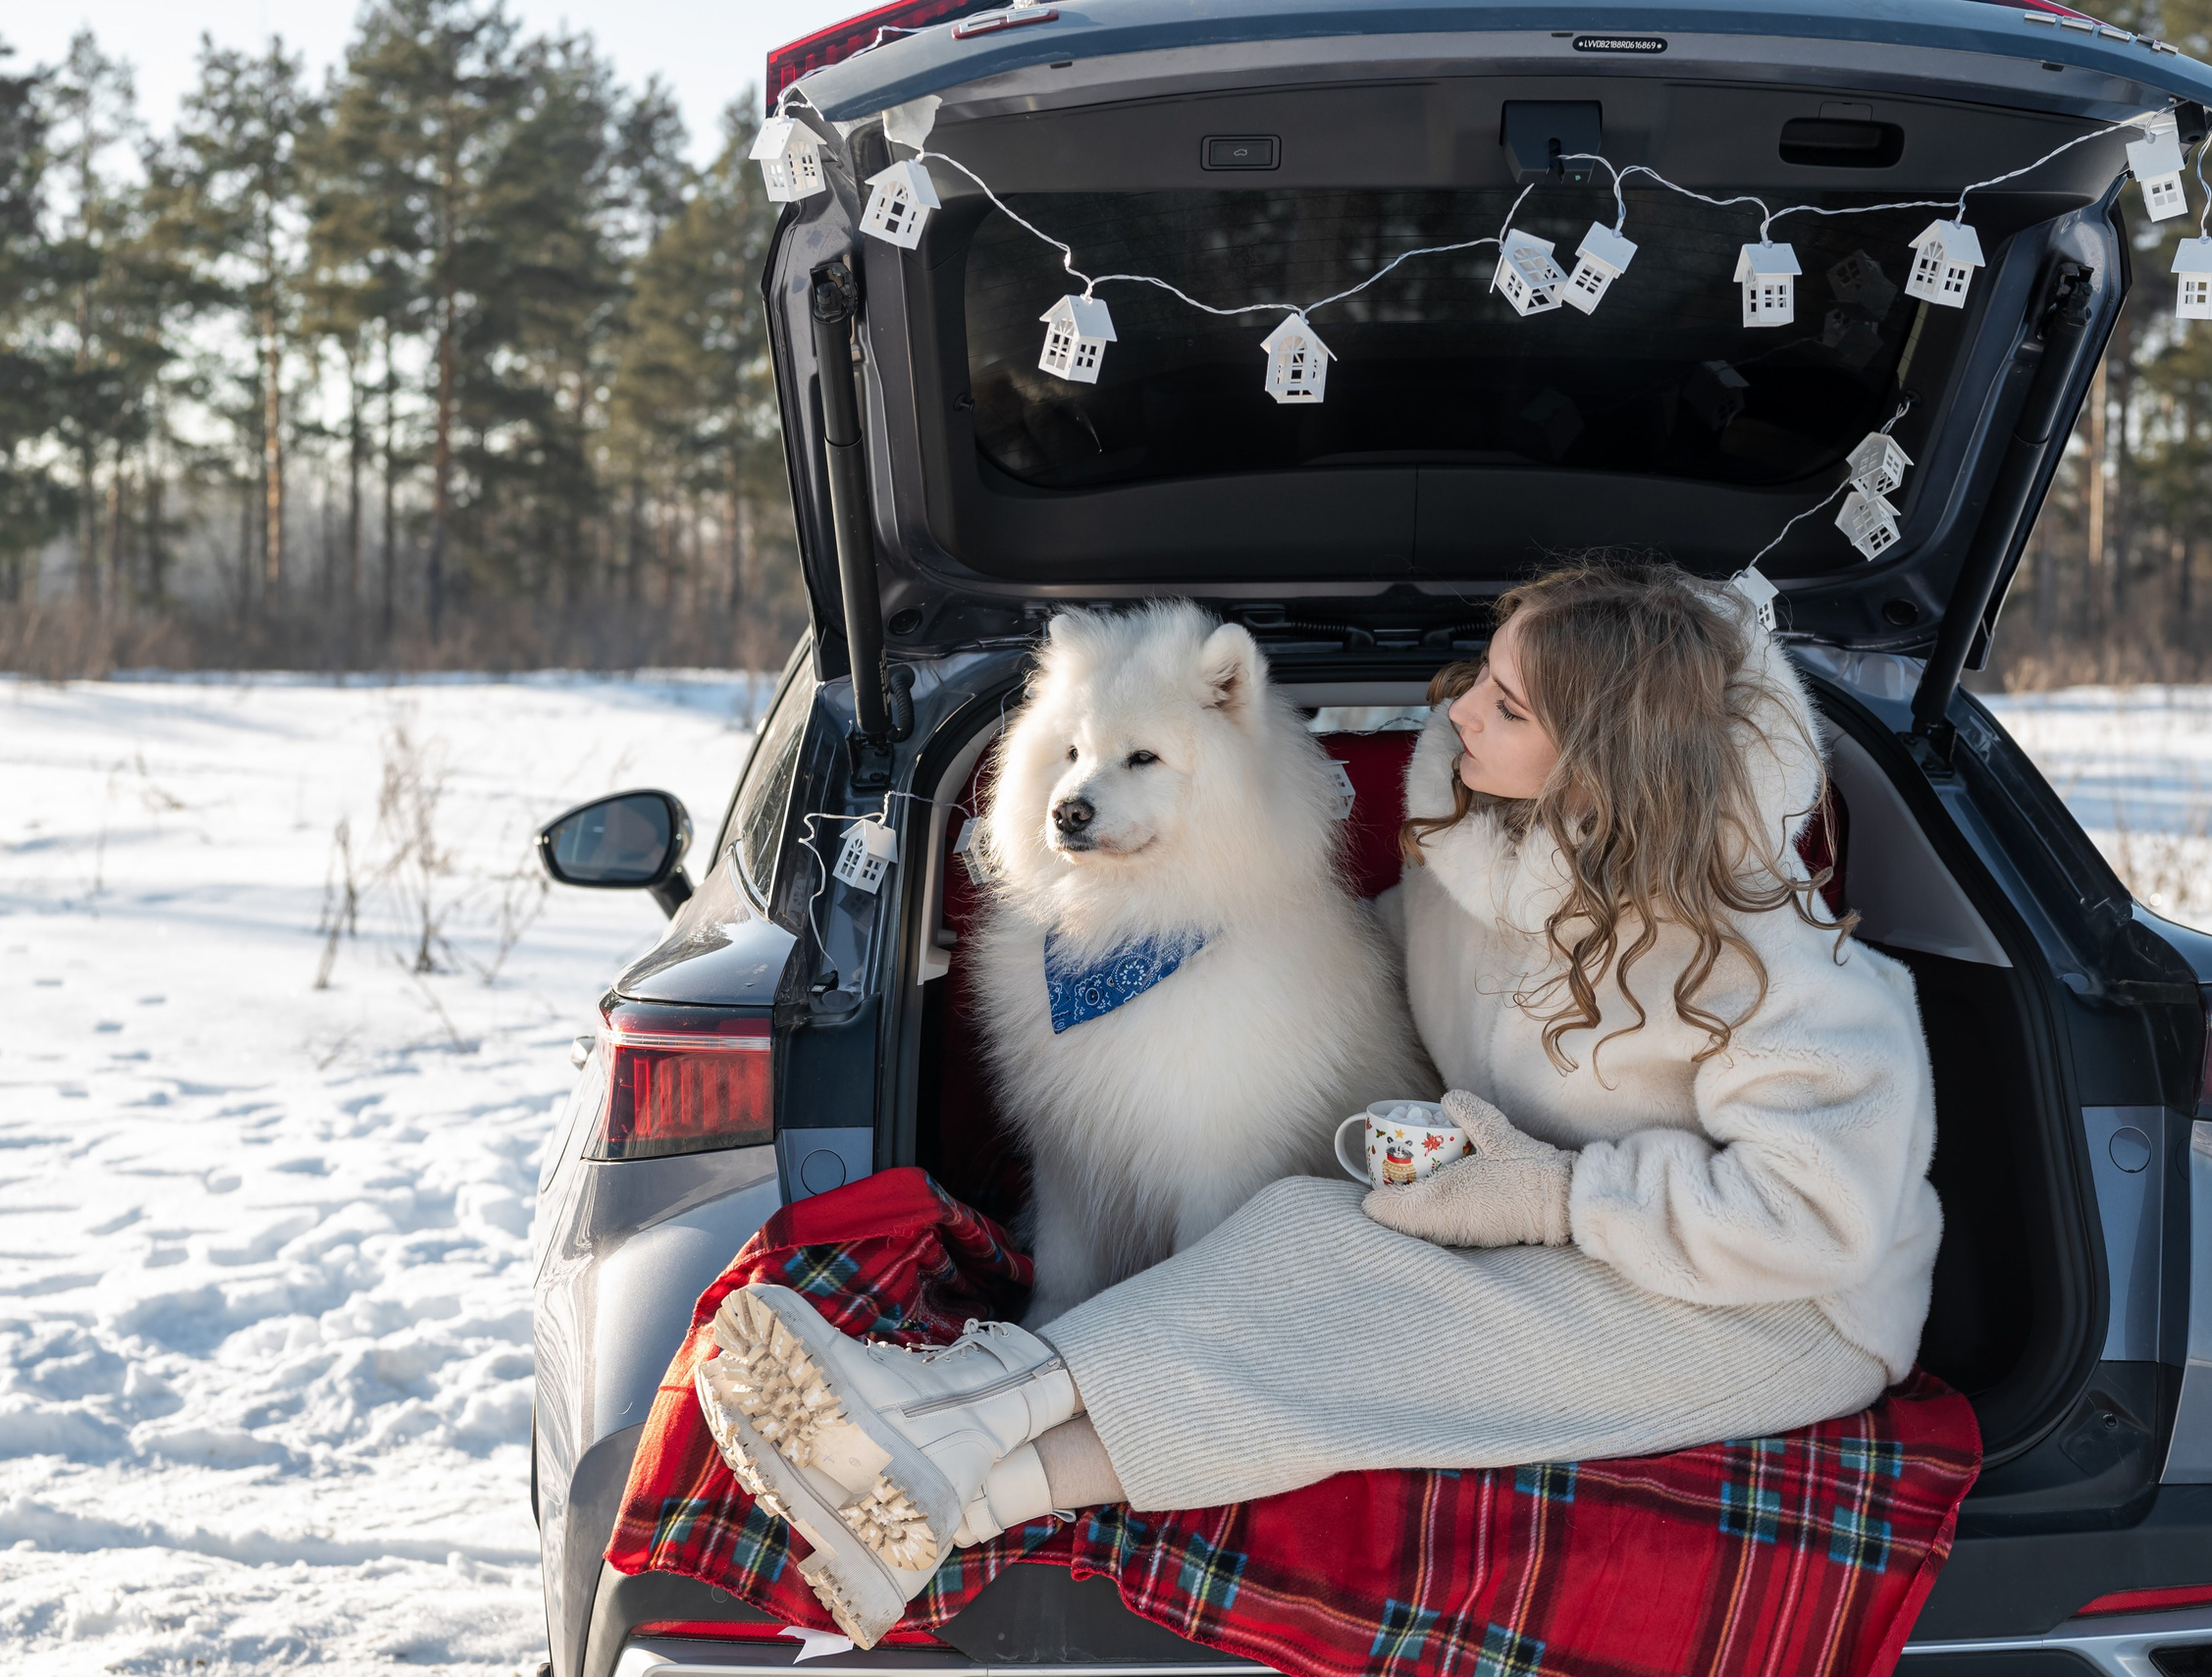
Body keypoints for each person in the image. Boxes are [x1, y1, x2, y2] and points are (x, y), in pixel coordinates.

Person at [693, 560, 1943, 1647]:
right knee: (1302, 1229)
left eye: (1503, 704)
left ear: (1603, 754)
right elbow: (1366, 969)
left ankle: (940, 1426)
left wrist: (1559, 1192)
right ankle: (941, 1497)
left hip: (1777, 1311)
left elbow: (1813, 1218)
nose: (1455, 705)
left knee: (1372, 1324)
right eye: (1477, 673)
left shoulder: (1781, 966)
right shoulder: (1478, 866)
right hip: (1566, 1234)